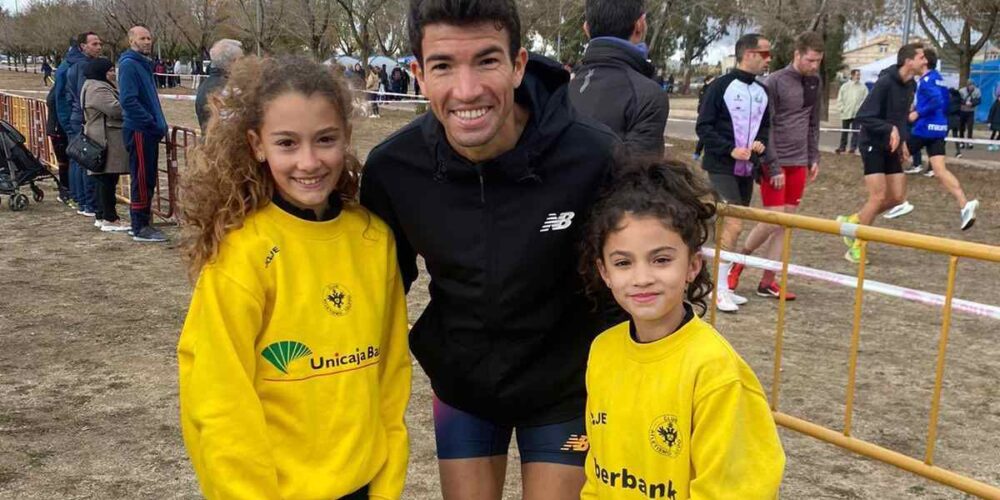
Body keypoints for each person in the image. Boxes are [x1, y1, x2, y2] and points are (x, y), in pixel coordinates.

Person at [360, 1, 622, 497]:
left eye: (486, 60)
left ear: (518, 64)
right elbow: (372, 289)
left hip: (567, 389)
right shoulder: (394, 169)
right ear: (417, 73)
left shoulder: (595, 156)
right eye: (443, 66)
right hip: (464, 389)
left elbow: (639, 279)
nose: (467, 90)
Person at [177, 55, 410, 500]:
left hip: (362, 486)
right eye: (287, 143)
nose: (308, 161)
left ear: (346, 137)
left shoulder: (373, 239)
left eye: (325, 140)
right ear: (257, 143)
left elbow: (391, 376)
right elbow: (217, 400)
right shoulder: (241, 252)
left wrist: (386, 484)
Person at [578, 160, 786, 499]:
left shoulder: (716, 372)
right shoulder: (603, 350)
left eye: (661, 260)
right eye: (623, 262)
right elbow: (598, 477)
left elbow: (737, 490)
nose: (642, 277)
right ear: (604, 271)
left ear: (692, 265)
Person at [728, 31, 823, 301]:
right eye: (810, 60)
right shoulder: (775, 82)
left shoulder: (815, 81)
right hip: (775, 163)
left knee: (786, 224)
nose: (814, 66)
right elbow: (764, 127)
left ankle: (768, 281)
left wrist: (813, 156)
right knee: (772, 219)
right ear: (797, 54)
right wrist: (774, 165)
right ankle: (739, 262)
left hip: (800, 162)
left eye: (818, 61)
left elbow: (813, 122)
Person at [695, 33, 771, 312]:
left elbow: (765, 127)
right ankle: (719, 289)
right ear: (748, 54)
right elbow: (703, 127)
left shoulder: (762, 92)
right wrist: (729, 149)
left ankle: (722, 283)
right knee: (733, 224)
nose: (768, 60)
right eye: (764, 54)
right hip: (720, 166)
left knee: (734, 225)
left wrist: (760, 143)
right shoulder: (719, 87)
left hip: (747, 169)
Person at [837, 43, 924, 264]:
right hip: (873, 144)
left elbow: (901, 117)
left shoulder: (910, 85)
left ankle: (854, 220)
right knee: (877, 197)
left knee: (896, 197)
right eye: (921, 57)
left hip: (892, 147)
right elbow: (863, 116)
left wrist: (902, 140)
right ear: (908, 61)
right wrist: (890, 129)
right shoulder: (885, 83)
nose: (925, 62)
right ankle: (856, 246)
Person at [891, 48, 979, 229]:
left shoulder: (926, 80)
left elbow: (937, 101)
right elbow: (945, 102)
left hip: (925, 129)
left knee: (894, 158)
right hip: (939, 129)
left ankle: (900, 201)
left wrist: (917, 113)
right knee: (940, 170)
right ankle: (965, 205)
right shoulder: (939, 78)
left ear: (924, 62)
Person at [569, 0, 668, 157]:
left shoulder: (561, 89)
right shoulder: (648, 95)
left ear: (586, 28)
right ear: (640, 25)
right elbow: (641, 175)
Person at [118, 25, 169, 242]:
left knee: (147, 177)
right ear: (132, 41)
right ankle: (139, 225)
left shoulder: (142, 64)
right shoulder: (129, 65)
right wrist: (150, 124)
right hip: (140, 130)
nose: (147, 41)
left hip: (148, 130)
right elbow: (129, 100)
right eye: (142, 38)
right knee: (141, 177)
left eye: (149, 38)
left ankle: (142, 221)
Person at [81, 57, 131, 232]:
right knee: (106, 179)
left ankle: (103, 215)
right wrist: (133, 106)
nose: (113, 73)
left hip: (103, 136)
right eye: (110, 70)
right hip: (104, 138)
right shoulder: (97, 88)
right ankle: (110, 218)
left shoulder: (94, 85)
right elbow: (115, 109)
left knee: (104, 179)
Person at [65, 31, 104, 217]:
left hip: (76, 116)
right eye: (94, 44)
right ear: (83, 46)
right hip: (83, 118)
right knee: (85, 161)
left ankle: (80, 199)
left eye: (99, 44)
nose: (99, 47)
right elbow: (85, 95)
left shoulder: (72, 65)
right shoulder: (83, 67)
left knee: (77, 161)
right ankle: (88, 203)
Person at [195, 39, 244, 133]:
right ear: (234, 62)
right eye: (241, 59)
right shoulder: (231, 89)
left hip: (209, 143)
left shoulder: (203, 86)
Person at [45, 76, 72, 205]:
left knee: (64, 162)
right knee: (65, 162)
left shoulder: (55, 91)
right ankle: (66, 189)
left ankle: (65, 189)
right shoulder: (59, 94)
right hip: (59, 130)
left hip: (56, 129)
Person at [836, 69, 868, 154]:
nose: (858, 77)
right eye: (857, 75)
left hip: (857, 114)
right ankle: (842, 147)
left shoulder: (863, 87)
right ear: (852, 75)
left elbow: (866, 99)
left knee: (855, 132)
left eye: (859, 75)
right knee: (844, 131)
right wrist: (842, 108)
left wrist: (861, 110)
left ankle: (853, 148)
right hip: (846, 112)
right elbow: (840, 98)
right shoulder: (845, 86)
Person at [692, 74, 715, 161]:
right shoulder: (705, 89)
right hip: (705, 115)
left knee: (710, 135)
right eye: (712, 80)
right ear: (707, 81)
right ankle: (697, 153)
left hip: (711, 114)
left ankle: (704, 154)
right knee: (704, 135)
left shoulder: (712, 89)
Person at [958, 80, 980, 149]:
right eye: (970, 85)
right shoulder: (961, 91)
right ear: (967, 85)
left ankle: (969, 141)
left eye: (973, 85)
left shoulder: (977, 91)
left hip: (971, 111)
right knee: (961, 127)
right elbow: (958, 99)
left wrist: (972, 103)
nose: (971, 86)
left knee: (970, 126)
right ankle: (961, 142)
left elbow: (979, 100)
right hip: (962, 111)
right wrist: (965, 102)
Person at [948, 86, 963, 157]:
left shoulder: (951, 101)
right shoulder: (958, 100)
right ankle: (958, 151)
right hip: (956, 120)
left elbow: (949, 110)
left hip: (949, 119)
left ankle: (941, 151)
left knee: (944, 136)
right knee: (955, 136)